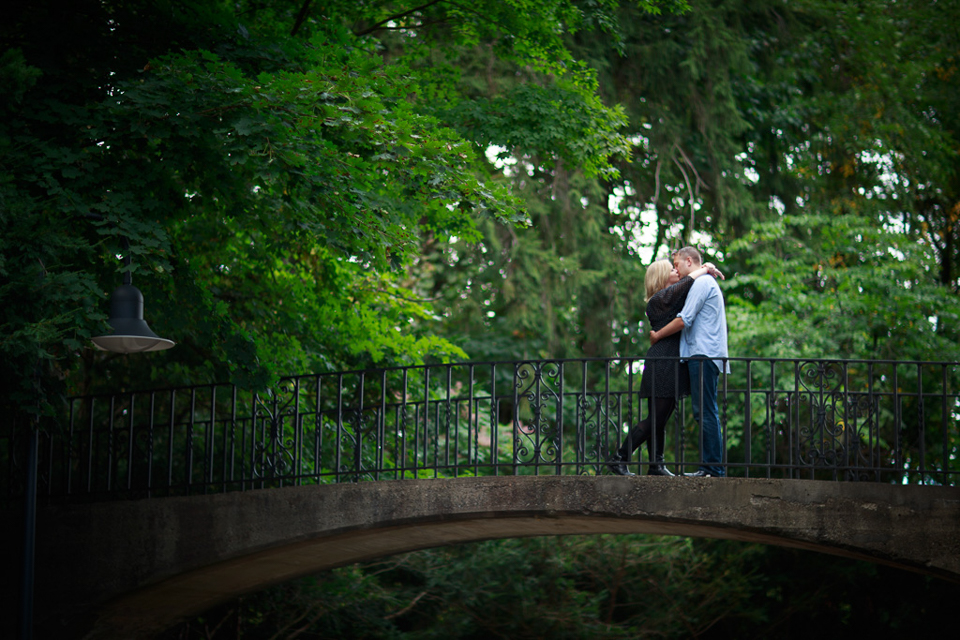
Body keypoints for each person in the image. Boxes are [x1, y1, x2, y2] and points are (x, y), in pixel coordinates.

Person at [608, 258, 722, 476]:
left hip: (669, 362)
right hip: (663, 362)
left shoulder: (670, 298)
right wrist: (705, 269)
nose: (675, 270)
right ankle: (620, 457)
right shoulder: (659, 298)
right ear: (661, 276)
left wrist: (703, 269)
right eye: (671, 269)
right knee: (655, 419)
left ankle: (656, 465)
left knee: (660, 419)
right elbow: (688, 281)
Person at [650, 246, 729, 477]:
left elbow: (684, 320)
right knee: (704, 411)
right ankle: (711, 467)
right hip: (703, 355)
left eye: (676, 265)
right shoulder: (702, 281)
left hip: (703, 355)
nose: (675, 270)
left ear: (688, 261)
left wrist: (657, 335)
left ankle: (712, 468)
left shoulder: (702, 283)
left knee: (705, 412)